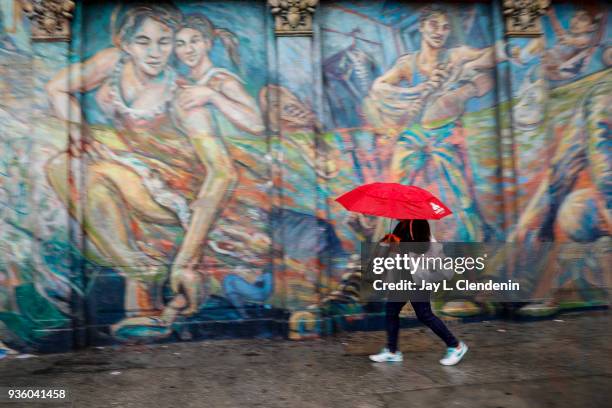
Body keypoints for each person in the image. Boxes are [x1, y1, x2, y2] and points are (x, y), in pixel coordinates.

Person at [369, 219, 468, 365]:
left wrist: (398, 244)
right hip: (403, 277)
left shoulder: (418, 222)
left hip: (418, 278)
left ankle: (456, 346)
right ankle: (392, 351)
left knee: (424, 314)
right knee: (391, 310)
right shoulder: (401, 224)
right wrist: (388, 242)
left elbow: (422, 247)